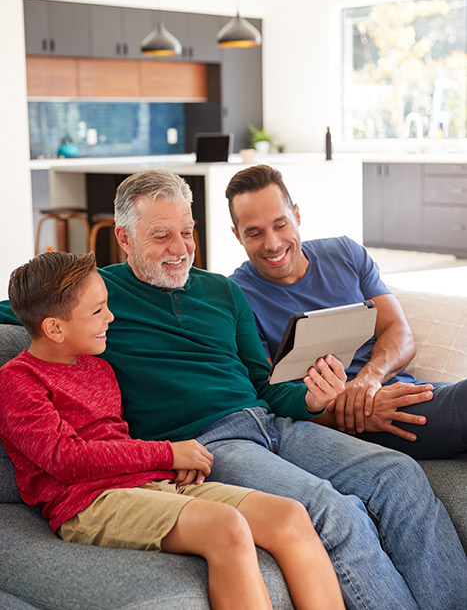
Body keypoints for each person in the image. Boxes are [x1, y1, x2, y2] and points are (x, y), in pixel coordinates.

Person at [0, 169, 466, 610]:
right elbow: (30, 312)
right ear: (124, 238)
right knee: (332, 511)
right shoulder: (96, 297)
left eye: (187, 231)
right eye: (161, 235)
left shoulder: (223, 291)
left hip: (270, 424)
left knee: (399, 476)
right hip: (207, 442)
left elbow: (263, 385)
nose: (180, 248)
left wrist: (310, 399)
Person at [0, 250, 346, 610]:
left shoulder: (98, 368)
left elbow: (116, 441)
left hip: (145, 483)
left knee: (289, 516)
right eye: (98, 310)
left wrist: (166, 466)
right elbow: (65, 458)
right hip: (86, 504)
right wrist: (167, 452)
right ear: (55, 328)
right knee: (224, 525)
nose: (111, 317)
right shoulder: (18, 380)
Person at [225, 164, 467, 460]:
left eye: (280, 225)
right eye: (255, 233)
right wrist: (353, 411)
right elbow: (267, 394)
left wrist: (369, 380)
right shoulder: (235, 296)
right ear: (237, 236)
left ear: (297, 215)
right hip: (352, 421)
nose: (273, 244)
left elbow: (398, 331)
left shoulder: (345, 254)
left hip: (396, 390)